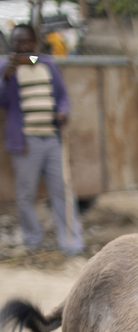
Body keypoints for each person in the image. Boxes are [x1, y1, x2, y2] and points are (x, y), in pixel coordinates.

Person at [0, 23, 81, 254]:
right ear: (11, 44)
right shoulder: (7, 67)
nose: (22, 46)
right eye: (17, 42)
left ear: (34, 43)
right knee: (25, 195)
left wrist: (63, 112)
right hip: (25, 143)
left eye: (26, 41)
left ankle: (71, 244)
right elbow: (2, 102)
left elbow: (63, 97)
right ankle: (33, 240)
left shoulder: (44, 63)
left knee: (63, 192)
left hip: (52, 140)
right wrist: (6, 79)